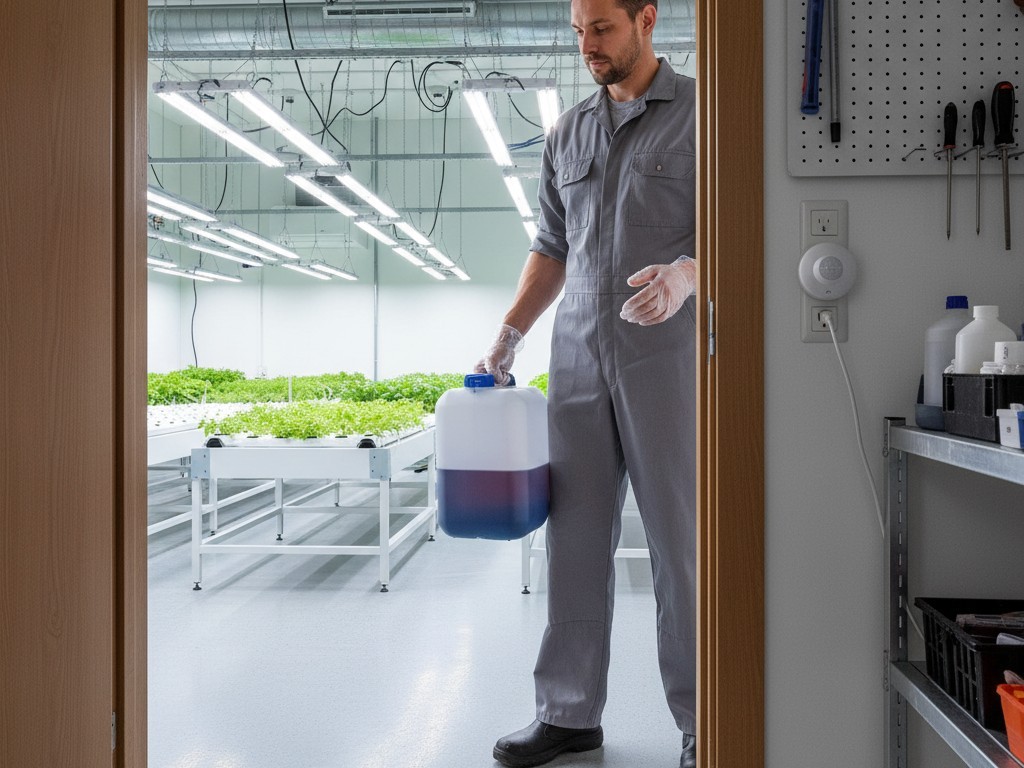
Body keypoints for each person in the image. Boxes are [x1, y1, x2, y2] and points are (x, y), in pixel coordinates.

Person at [475, 1, 698, 766]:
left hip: (664, 357)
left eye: (601, 29)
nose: (587, 46)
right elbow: (551, 243)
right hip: (575, 357)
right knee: (572, 541)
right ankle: (569, 713)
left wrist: (688, 274)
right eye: (577, 32)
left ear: (646, 19)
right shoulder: (568, 131)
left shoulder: (702, 114)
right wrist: (509, 333)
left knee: (681, 545)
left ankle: (703, 720)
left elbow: (736, 225)